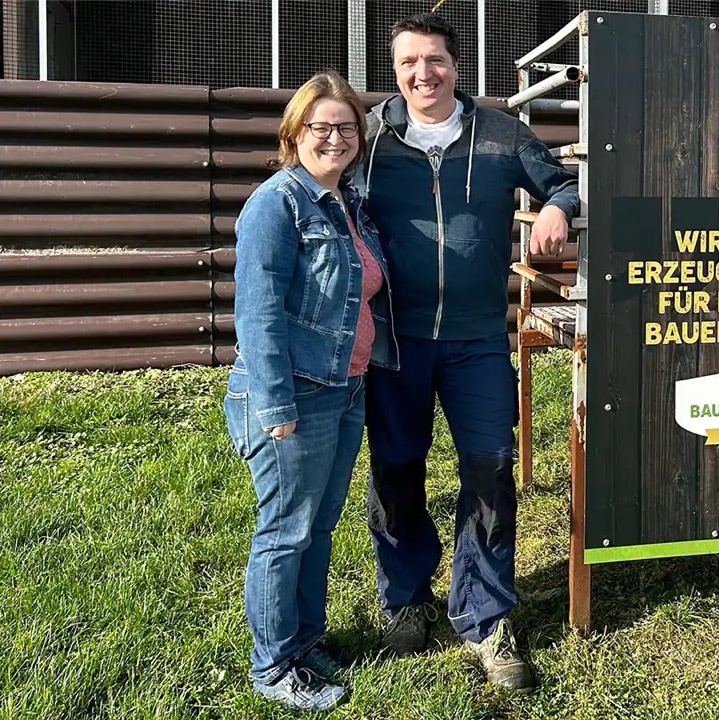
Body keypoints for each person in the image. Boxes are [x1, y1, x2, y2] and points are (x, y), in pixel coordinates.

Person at [349, 12, 578, 694]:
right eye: (409, 62)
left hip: (478, 339)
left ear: (458, 64)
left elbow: (561, 181)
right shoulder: (370, 136)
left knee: (490, 470)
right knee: (396, 470)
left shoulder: (502, 133)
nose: (424, 73)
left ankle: (484, 616)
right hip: (397, 339)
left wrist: (560, 209)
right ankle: (407, 599)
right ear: (395, 71)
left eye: (437, 60)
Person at [224, 69, 399, 711]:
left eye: (346, 127)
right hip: (291, 393)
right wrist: (275, 407)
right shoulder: (277, 203)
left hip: (345, 386)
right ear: (294, 133)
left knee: (318, 525)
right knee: (285, 531)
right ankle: (272, 667)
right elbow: (258, 313)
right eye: (321, 127)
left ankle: (305, 640)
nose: (335, 138)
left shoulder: (348, 203)